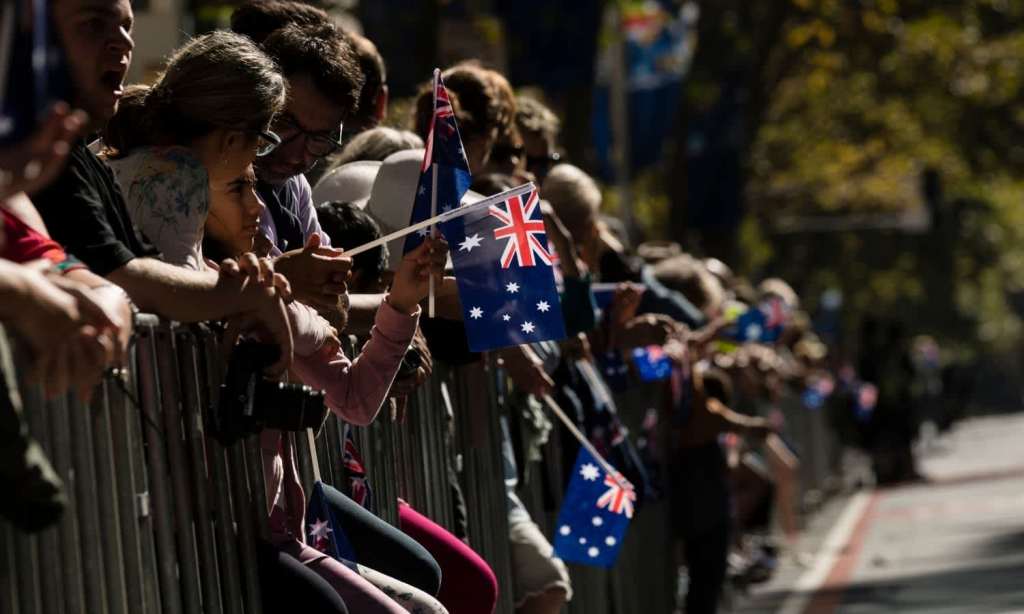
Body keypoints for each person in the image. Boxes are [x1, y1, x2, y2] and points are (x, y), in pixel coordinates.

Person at [35, 0, 296, 374]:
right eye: (93, 24)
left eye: (127, 27)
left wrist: (228, 284)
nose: (123, 43)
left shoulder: (81, 158)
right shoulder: (176, 172)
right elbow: (130, 279)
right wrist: (246, 294)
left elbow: (150, 269)